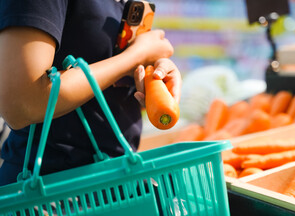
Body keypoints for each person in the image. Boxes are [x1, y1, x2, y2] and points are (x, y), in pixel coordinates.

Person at [0, 0, 182, 186]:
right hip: (50, 193)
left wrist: (150, 74)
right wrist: (136, 56)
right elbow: (20, 104)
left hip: (115, 182)